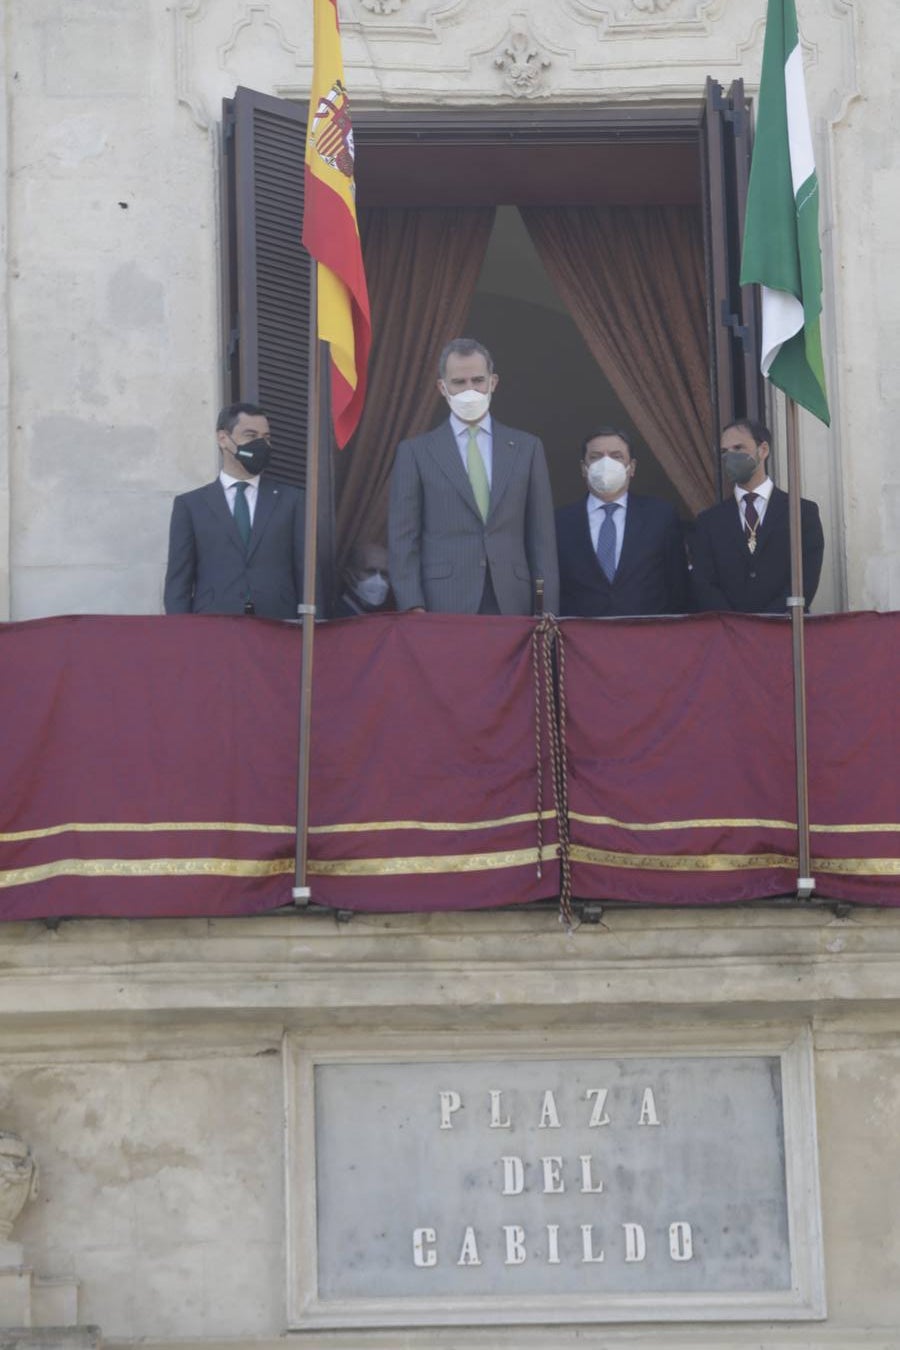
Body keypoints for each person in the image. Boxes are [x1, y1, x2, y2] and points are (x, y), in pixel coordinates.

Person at [388, 338, 559, 615]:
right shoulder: (415, 452)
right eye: (459, 382)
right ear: (442, 387)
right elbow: (403, 539)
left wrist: (546, 609)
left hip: (513, 601)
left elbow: (542, 538)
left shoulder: (527, 448)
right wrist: (412, 605)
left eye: (478, 380)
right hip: (442, 602)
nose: (470, 390)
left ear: (493, 382)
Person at [164, 401, 306, 619]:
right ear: (223, 439)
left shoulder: (292, 500)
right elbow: (178, 582)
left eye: (266, 437)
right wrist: (180, 637)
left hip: (279, 625)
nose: (262, 444)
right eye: (251, 435)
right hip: (213, 626)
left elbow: (307, 573)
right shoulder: (190, 505)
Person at [690, 418, 824, 614]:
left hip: (785, 632)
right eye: (724, 452)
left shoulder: (802, 513)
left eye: (738, 448)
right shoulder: (709, 522)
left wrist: (767, 623)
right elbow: (705, 585)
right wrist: (737, 625)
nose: (730, 457)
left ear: (763, 450)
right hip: (730, 635)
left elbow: (806, 580)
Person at [555, 427, 688, 617]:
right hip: (580, 638)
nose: (606, 463)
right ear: (583, 468)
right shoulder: (559, 522)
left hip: (647, 636)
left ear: (631, 467)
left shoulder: (661, 516)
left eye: (616, 456)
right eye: (596, 456)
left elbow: (678, 586)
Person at [334, 541, 392, 618]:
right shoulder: (336, 618)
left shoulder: (384, 616)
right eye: (370, 572)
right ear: (349, 576)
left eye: (384, 574)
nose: (379, 581)